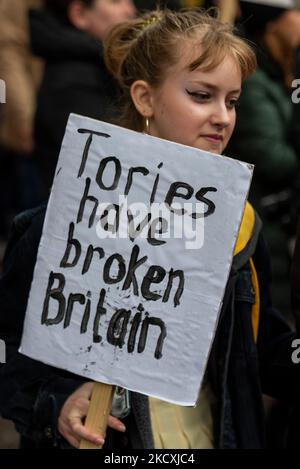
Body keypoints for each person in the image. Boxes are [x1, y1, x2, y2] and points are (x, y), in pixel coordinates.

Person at [0, 8, 299, 449]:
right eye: (201, 95)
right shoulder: (65, 222)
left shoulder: (238, 222)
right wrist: (59, 402)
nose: (223, 116)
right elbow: (11, 356)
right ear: (145, 99)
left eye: (232, 100)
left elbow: (256, 345)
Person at [228, 0, 300, 318]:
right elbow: (273, 158)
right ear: (273, 23)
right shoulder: (255, 83)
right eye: (294, 13)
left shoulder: (277, 74)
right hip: (264, 223)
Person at [31, 0, 136, 196]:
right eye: (115, 1)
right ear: (79, 14)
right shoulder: (74, 82)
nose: (130, 10)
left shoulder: (94, 64)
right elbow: (99, 162)